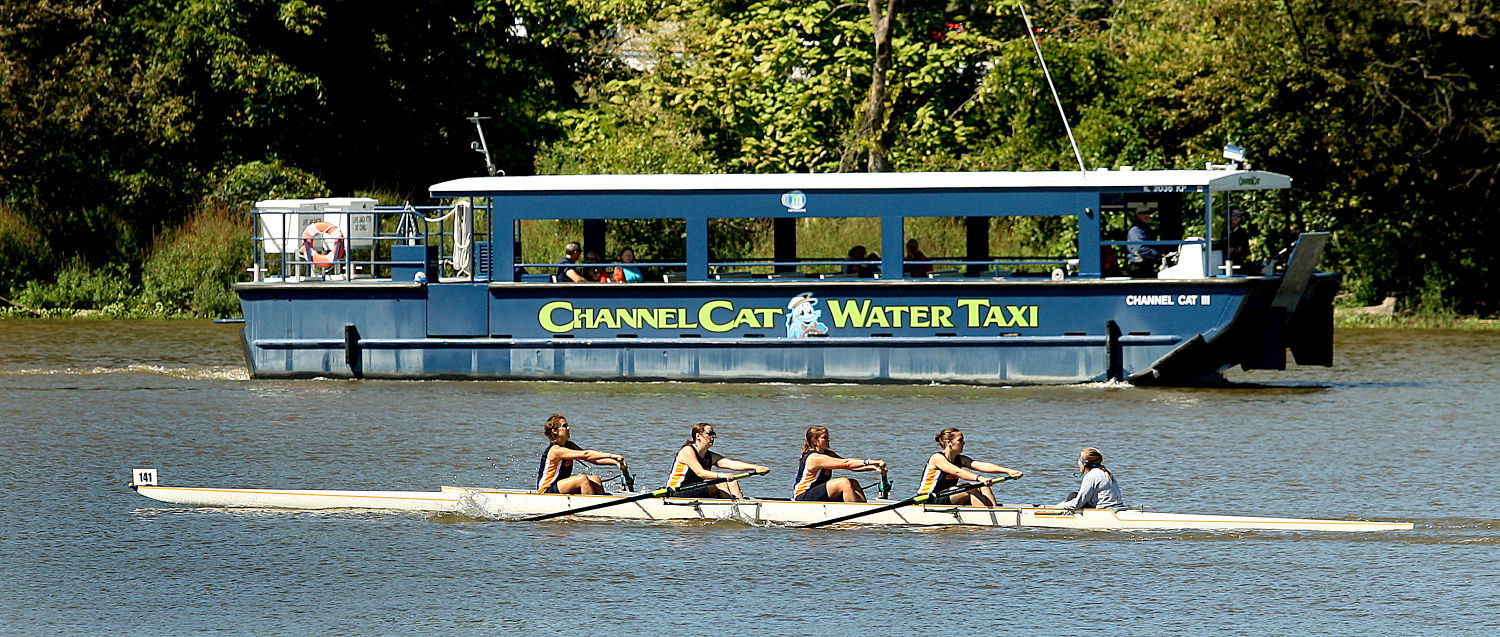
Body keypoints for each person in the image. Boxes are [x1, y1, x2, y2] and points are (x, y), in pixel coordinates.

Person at [916, 427, 1023, 506]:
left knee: (983, 487)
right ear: (949, 442)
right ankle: (985, 517)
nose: (964, 443)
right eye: (960, 440)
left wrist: (1008, 471)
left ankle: (994, 511)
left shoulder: (960, 459)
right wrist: (979, 478)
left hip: (949, 495)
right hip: (928, 499)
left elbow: (981, 465)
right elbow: (958, 472)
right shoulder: (937, 458)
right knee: (970, 488)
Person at [666, 423, 770, 499]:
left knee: (733, 482)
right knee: (721, 484)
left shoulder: (710, 455)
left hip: (695, 490)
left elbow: (732, 464)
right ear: (698, 436)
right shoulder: (687, 451)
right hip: (677, 491)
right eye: (709, 433)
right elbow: (700, 472)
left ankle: (741, 506)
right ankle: (732, 511)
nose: (713, 436)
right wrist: (721, 475)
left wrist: (756, 467)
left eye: (714, 433)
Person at [791, 425, 886, 502]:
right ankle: (854, 514)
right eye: (824, 438)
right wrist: (869, 461)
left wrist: (873, 467)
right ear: (815, 441)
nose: (828, 440)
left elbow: (852, 467)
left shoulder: (828, 454)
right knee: (843, 483)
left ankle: (863, 510)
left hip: (817, 494)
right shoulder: (814, 458)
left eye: (828, 437)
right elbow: (846, 463)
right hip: (803, 496)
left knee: (853, 482)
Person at [536, 414, 625, 494]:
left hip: (561, 484)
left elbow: (592, 459)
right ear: (555, 431)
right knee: (582, 479)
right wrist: (612, 455)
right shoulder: (555, 450)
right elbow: (587, 454)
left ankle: (604, 506)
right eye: (565, 426)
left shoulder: (569, 445)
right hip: (547, 489)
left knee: (596, 479)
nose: (568, 428)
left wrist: (616, 462)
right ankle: (592, 507)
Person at [1056, 447, 1123, 510]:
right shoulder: (1107, 472)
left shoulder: (1091, 476)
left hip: (1103, 511)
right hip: (1117, 507)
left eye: (1079, 459)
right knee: (1075, 495)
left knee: (1072, 496)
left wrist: (1058, 506)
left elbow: (1077, 504)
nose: (1078, 462)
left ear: (1085, 463)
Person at [1126, 207, 1161, 278]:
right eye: (1144, 213)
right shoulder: (1135, 230)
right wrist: (1157, 254)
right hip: (1139, 266)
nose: (1147, 216)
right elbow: (1140, 248)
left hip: (1147, 264)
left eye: (1149, 213)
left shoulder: (1146, 229)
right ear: (1138, 215)